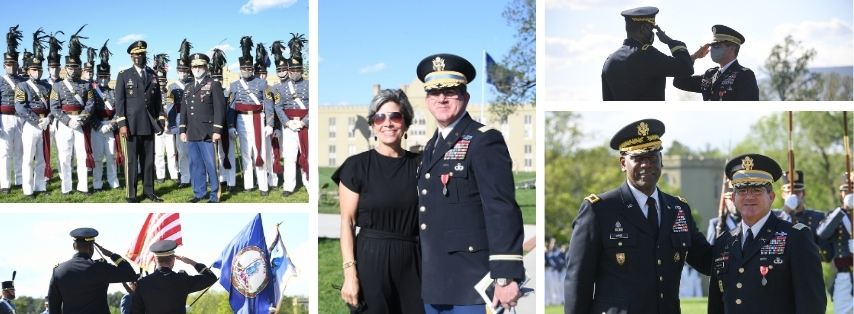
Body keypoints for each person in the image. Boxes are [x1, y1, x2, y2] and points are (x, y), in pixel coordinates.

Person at [564, 118, 714, 314]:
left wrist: (741, 236)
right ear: (623, 163)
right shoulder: (600, 210)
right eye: (638, 158)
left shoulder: (678, 209)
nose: (646, 164)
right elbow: (578, 279)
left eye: (652, 157)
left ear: (661, 160)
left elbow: (707, 260)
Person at [416, 53, 525, 313]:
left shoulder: (483, 140)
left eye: (450, 92)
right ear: (427, 101)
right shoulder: (431, 147)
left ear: (465, 97)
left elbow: (502, 209)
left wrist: (506, 276)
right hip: (435, 283)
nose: (441, 98)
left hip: (473, 284)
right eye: (434, 93)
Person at [333, 89, 424, 313]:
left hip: (414, 263)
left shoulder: (422, 165)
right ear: (373, 124)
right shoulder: (356, 166)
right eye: (380, 117)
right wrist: (350, 274)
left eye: (395, 116)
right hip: (371, 263)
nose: (388, 123)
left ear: (406, 123)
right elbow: (347, 222)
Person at [708, 154, 826, 313]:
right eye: (742, 191)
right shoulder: (724, 242)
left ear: (771, 197)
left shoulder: (796, 237)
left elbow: (811, 303)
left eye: (757, 190)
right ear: (734, 198)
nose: (749, 196)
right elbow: (716, 305)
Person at [601, 7, 693, 101]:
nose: (652, 34)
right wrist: (670, 42)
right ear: (643, 29)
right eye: (651, 29)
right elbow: (686, 68)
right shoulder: (647, 55)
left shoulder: (609, 61)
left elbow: (607, 100)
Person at [115, 40, 165, 203]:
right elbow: (119, 101)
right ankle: (131, 194)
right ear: (131, 57)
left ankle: (149, 191)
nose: (139, 57)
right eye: (136, 55)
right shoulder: (124, 75)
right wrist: (122, 124)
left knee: (148, 159)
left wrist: (161, 118)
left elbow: (157, 100)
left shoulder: (152, 74)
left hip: (149, 123)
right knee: (131, 161)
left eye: (142, 54)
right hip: (131, 124)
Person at [48, 227, 137, 313]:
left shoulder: (58, 270)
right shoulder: (100, 268)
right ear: (91, 247)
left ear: (73, 246)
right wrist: (111, 255)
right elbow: (130, 274)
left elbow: (53, 306)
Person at [50, 27, 94, 197]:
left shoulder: (86, 85)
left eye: (76, 68)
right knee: (65, 156)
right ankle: (66, 188)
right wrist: (68, 121)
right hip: (65, 123)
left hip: (80, 123)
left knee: (82, 156)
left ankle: (83, 187)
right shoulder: (57, 86)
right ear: (65, 69)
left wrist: (82, 119)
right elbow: (54, 107)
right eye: (70, 68)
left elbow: (90, 104)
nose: (73, 70)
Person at [228, 36, 274, 197]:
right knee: (246, 152)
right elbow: (231, 106)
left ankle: (263, 185)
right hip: (241, 119)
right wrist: (231, 125)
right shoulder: (234, 85)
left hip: (257, 118)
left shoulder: (262, 83)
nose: (246, 71)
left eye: (249, 69)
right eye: (244, 69)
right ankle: (248, 184)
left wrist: (270, 123)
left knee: (259, 151)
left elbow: (268, 104)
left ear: (252, 69)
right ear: (240, 69)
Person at [180, 53, 226, 203]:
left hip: (208, 132)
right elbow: (184, 110)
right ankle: (199, 193)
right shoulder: (187, 87)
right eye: (194, 66)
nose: (197, 69)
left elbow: (220, 109)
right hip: (192, 131)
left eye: (200, 66)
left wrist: (217, 130)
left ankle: (214, 195)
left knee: (212, 165)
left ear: (206, 67)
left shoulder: (213, 84)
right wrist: (182, 130)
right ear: (190, 69)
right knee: (195, 165)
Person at [673, 25, 759, 100]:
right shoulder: (710, 75)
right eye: (712, 46)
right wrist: (692, 58)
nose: (712, 49)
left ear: (732, 48)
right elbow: (679, 82)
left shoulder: (744, 75)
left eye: (717, 45)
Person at [132, 240, 217, 314]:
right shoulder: (181, 280)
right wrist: (191, 262)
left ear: (155, 260)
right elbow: (211, 277)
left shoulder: (142, 283)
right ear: (173, 259)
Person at [273, 34, 309, 198]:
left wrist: (304, 122)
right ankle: (289, 186)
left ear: (302, 70)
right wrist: (286, 123)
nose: (295, 73)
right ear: (289, 71)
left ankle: (309, 184)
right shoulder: (281, 87)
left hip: (305, 125)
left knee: (307, 156)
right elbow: (278, 106)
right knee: (289, 156)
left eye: (298, 70)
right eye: (292, 70)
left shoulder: (310, 85)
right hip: (288, 125)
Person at [15, 48, 53, 198]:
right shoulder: (22, 86)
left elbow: (52, 106)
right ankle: (28, 189)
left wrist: (48, 118)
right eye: (34, 69)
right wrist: (37, 120)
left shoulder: (47, 87)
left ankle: (40, 186)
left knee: (42, 158)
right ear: (28, 71)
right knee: (28, 159)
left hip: (45, 124)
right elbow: (20, 107)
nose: (37, 71)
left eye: (39, 69)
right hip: (31, 125)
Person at [816, 173, 854, 314]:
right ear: (841, 194)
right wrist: (843, 209)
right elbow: (822, 233)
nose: (851, 194)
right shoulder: (835, 215)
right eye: (847, 191)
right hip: (843, 276)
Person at [90, 40, 121, 192]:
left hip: (110, 126)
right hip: (97, 128)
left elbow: (118, 110)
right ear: (97, 77)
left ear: (109, 77)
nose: (103, 79)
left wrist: (112, 124)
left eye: (106, 76)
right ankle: (97, 183)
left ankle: (113, 182)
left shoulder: (114, 92)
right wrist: (97, 125)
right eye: (101, 76)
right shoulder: (93, 93)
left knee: (111, 157)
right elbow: (90, 111)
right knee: (97, 158)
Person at [1, 25, 25, 194]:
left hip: (21, 118)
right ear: (4, 66)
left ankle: (20, 179)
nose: (12, 66)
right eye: (8, 64)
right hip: (5, 118)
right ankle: (5, 183)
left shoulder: (23, 81)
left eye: (14, 64)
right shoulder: (1, 80)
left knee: (20, 151)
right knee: (4, 152)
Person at [167, 39, 193, 189]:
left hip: (194, 119)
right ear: (177, 71)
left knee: (196, 150)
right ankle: (184, 177)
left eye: (185, 70)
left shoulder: (194, 83)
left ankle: (197, 175)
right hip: (178, 118)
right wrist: (172, 124)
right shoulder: (172, 86)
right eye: (180, 71)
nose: (183, 73)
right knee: (182, 151)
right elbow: (170, 106)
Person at [153, 53, 180, 186]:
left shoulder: (169, 93)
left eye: (163, 80)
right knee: (158, 153)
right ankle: (160, 175)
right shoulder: (152, 95)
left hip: (168, 126)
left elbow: (172, 109)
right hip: (158, 127)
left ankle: (174, 174)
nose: (161, 83)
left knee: (171, 151)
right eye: (159, 80)